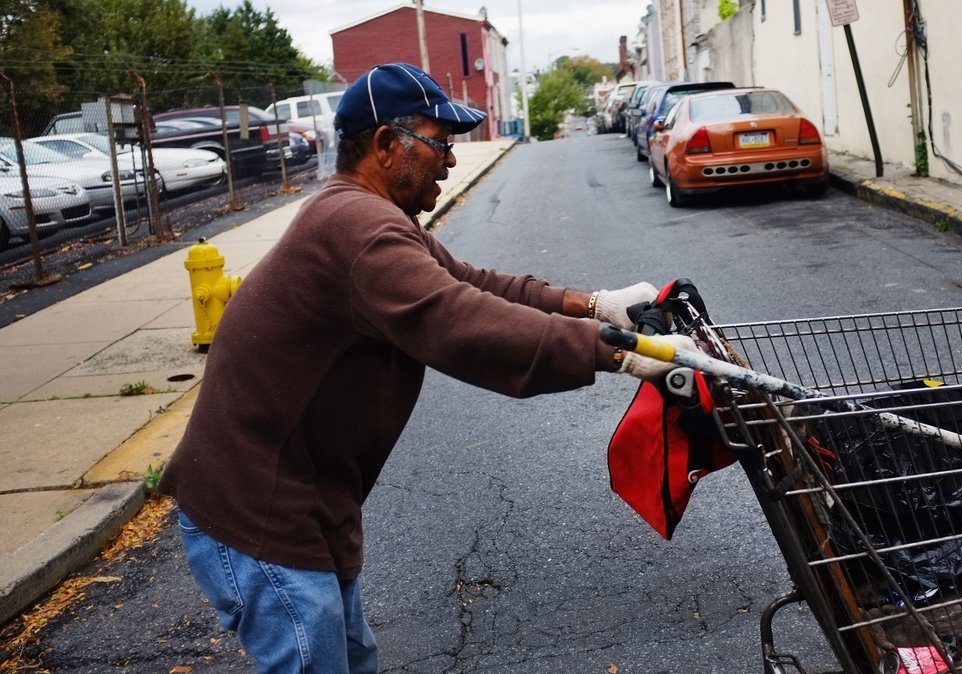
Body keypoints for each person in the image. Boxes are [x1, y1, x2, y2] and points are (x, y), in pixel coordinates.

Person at [159, 62, 695, 673]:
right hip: (257, 508)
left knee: (351, 659)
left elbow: (470, 282)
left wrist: (595, 304)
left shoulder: (372, 217)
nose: (449, 160)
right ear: (386, 145)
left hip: (307, 500)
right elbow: (457, 320)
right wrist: (616, 352)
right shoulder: (357, 229)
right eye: (439, 143)